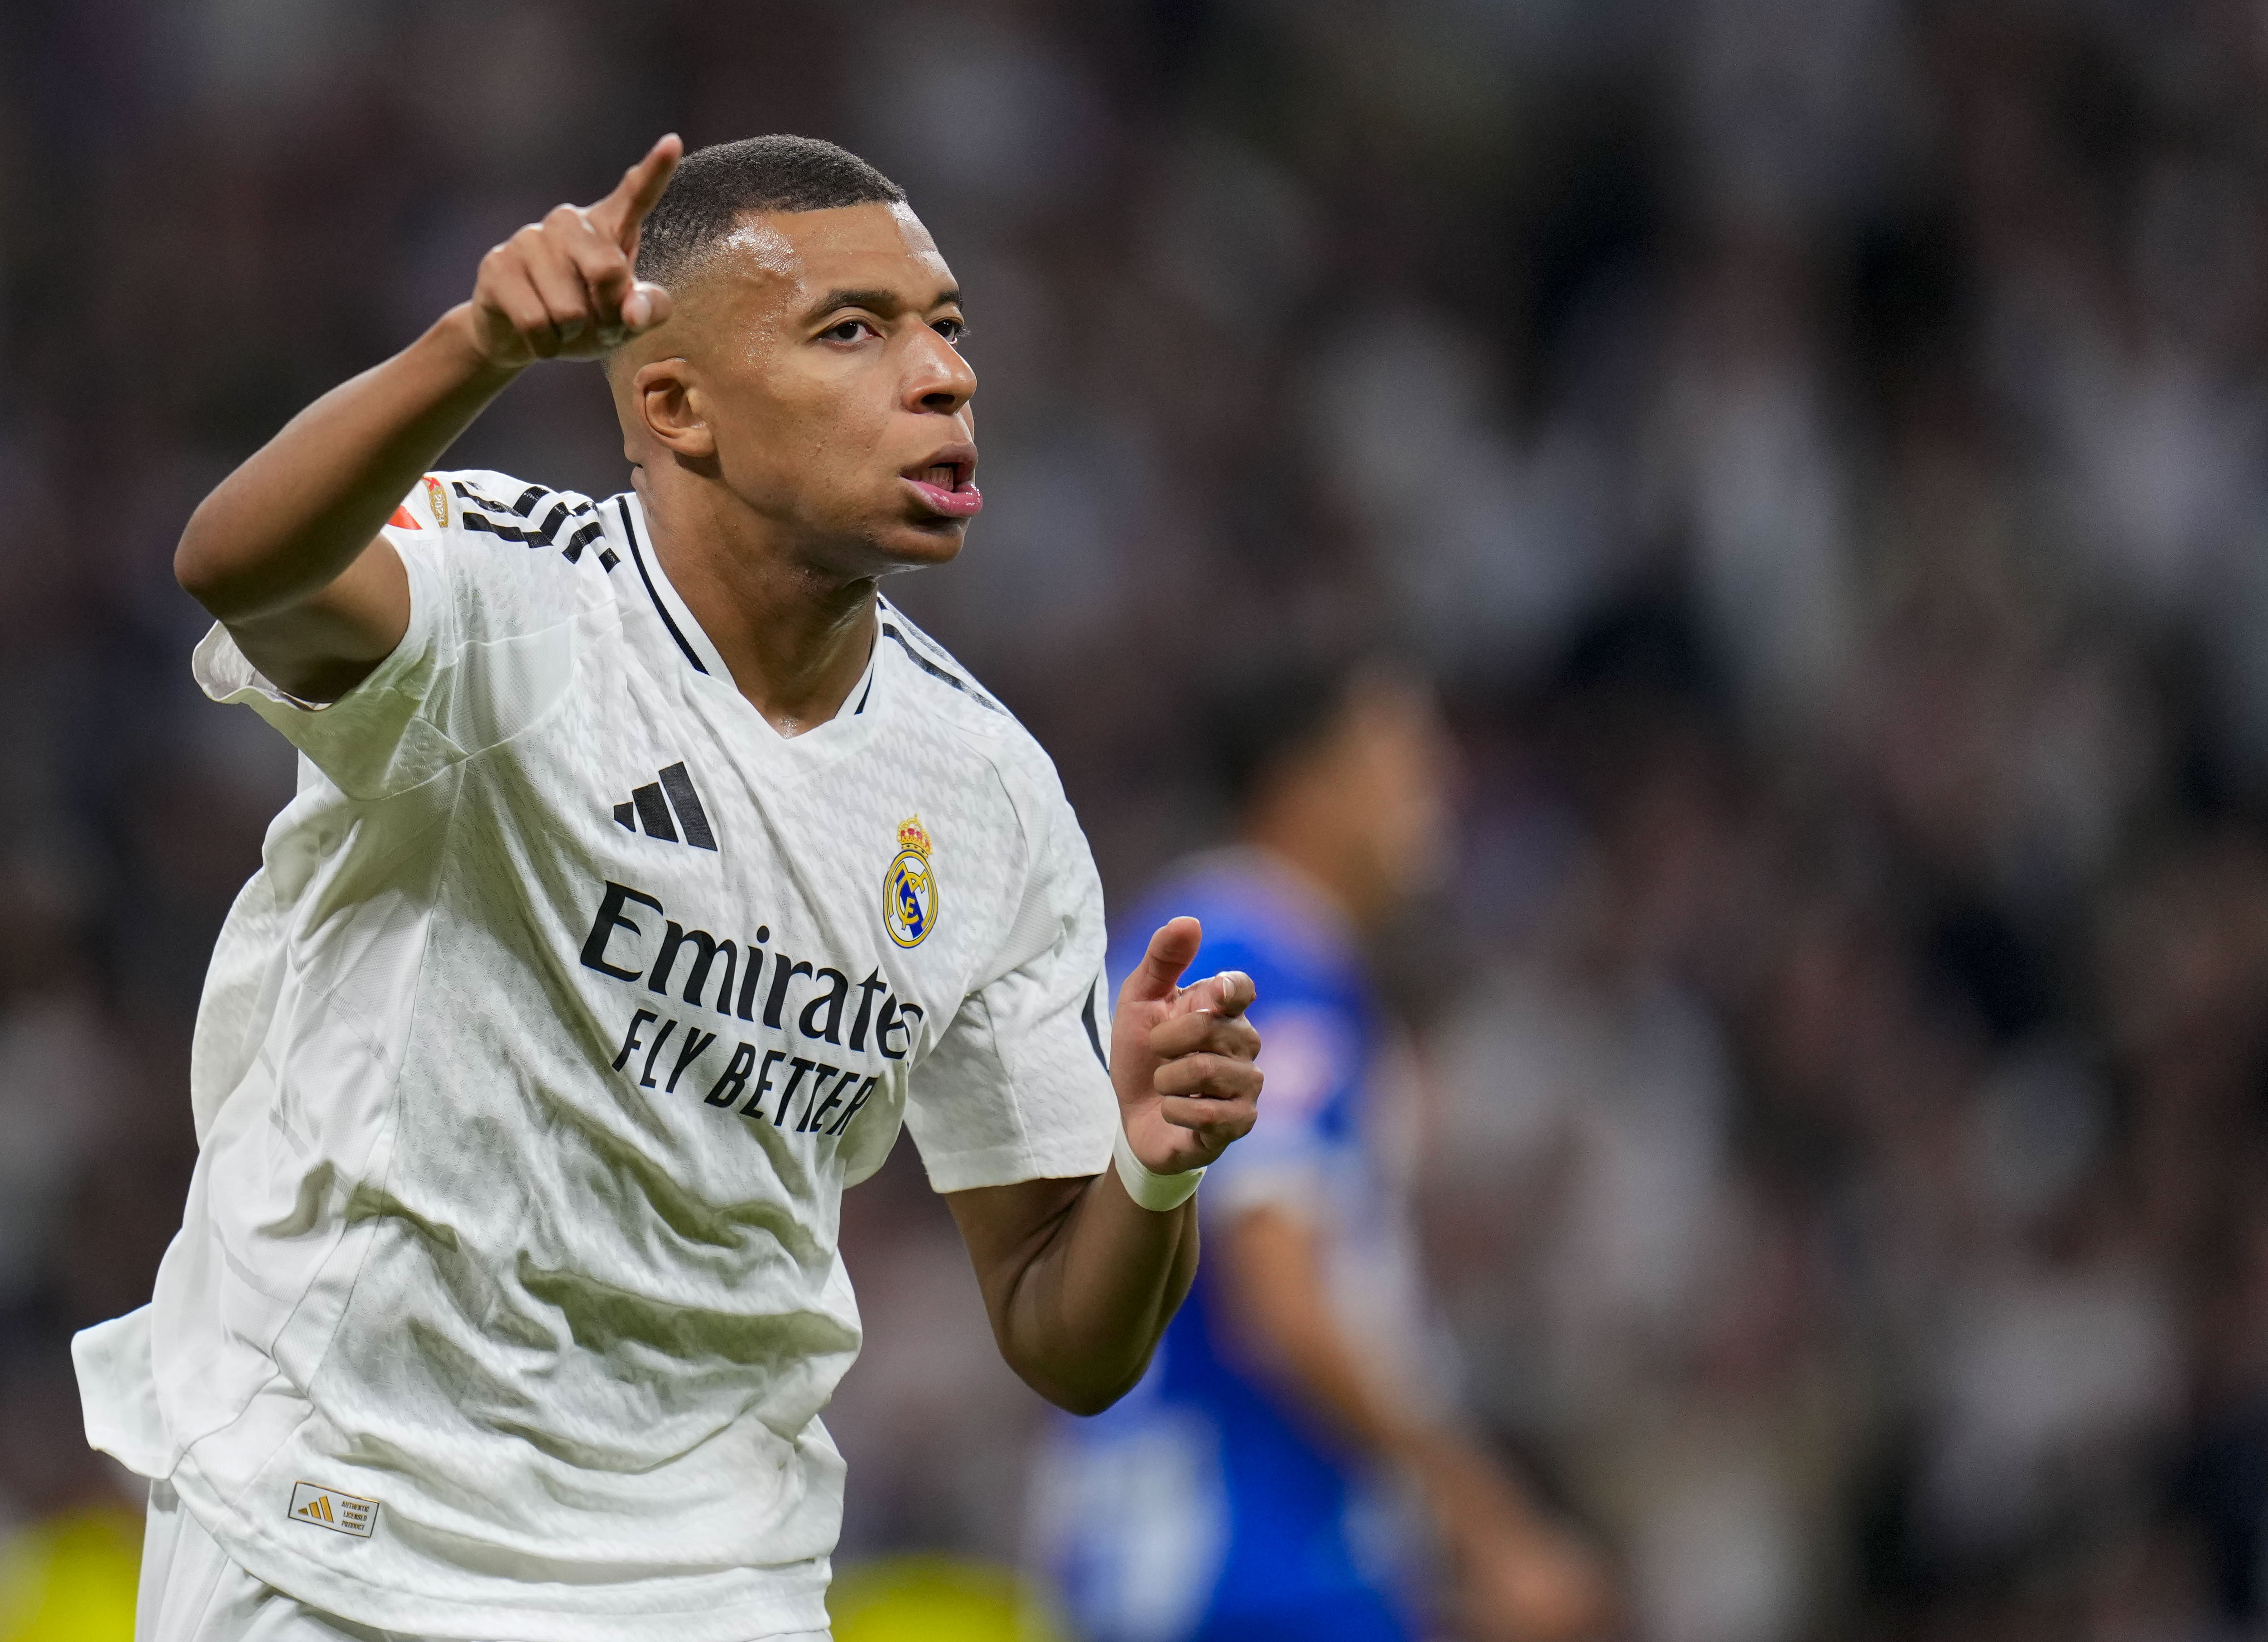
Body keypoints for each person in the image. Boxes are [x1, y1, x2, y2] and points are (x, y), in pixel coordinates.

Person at [69, 133, 1266, 1642]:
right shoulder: (502, 600)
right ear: (675, 404)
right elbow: (241, 567)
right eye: (853, 330)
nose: (942, 374)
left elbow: (1063, 1334)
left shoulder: (992, 796)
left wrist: (1151, 1167)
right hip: (340, 1524)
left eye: (945, 326)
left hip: (710, 1577)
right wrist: (476, 342)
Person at [1036, 661, 1612, 1642]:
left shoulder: (1192, 938)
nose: (1435, 792)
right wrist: (1491, 1522)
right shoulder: (1262, 961)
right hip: (1247, 1555)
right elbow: (1284, 1297)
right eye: (1398, 759)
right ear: (1300, 782)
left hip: (1169, 1535)